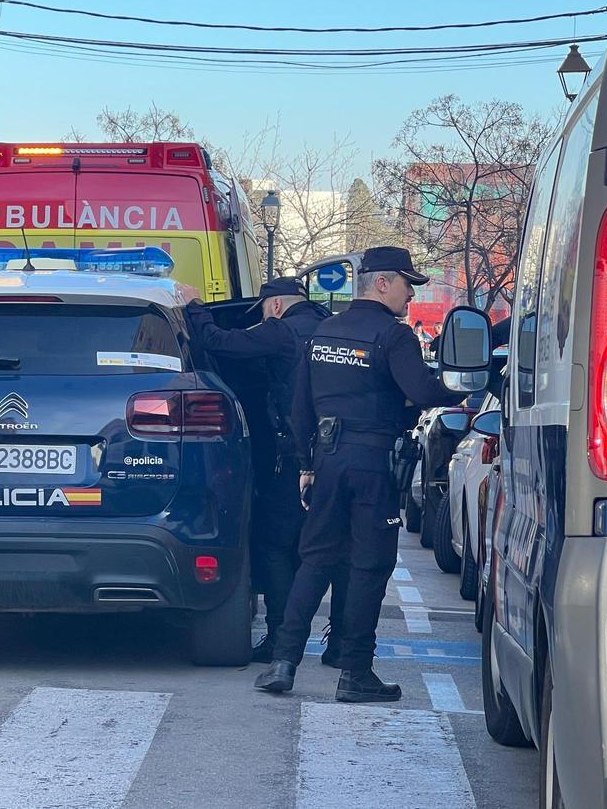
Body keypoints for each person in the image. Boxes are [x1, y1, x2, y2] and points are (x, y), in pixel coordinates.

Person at [255, 246, 464, 703]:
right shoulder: (394, 337)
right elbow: (423, 390)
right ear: (382, 283)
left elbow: (300, 407)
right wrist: (462, 387)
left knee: (315, 560)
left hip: (327, 462)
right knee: (370, 565)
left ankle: (283, 663)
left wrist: (308, 465)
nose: (410, 296)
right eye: (407, 285)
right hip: (372, 465)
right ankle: (355, 673)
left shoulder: (324, 332)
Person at [183, 278, 332, 663]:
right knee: (340, 551)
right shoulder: (334, 326)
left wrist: (195, 307)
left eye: (263, 312)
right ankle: (344, 646)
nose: (262, 320)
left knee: (276, 545)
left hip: (297, 458)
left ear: (276, 305)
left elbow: (221, 343)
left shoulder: (281, 331)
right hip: (344, 455)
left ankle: (281, 638)